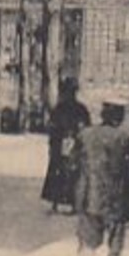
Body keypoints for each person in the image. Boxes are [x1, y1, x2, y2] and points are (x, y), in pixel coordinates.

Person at [72, 93, 129, 256]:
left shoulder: (85, 135)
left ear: (102, 113)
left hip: (89, 199)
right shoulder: (124, 139)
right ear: (119, 116)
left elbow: (72, 167)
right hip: (117, 202)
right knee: (115, 249)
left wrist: (76, 197)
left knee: (87, 246)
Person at [42, 77, 91, 213]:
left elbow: (86, 127)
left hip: (73, 143)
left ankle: (71, 203)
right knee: (58, 171)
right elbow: (52, 127)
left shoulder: (78, 109)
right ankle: (56, 202)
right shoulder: (63, 109)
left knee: (70, 173)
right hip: (62, 143)